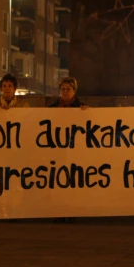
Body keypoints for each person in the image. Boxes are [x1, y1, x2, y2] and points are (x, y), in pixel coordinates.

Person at [49, 77, 89, 223]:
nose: (65, 92)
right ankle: (58, 211)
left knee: (72, 179)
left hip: (74, 150)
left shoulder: (82, 108)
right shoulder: (51, 109)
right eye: (63, 89)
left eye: (68, 89)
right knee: (57, 179)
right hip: (57, 150)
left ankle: (71, 210)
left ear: (74, 91)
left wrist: (87, 113)